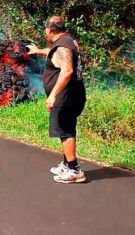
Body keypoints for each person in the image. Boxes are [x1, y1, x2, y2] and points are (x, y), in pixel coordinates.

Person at [28, 16, 87, 183]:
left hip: (65, 97)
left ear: (51, 30)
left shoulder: (63, 46)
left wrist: (53, 95)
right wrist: (38, 51)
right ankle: (67, 163)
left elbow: (67, 70)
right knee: (65, 129)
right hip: (72, 95)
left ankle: (74, 170)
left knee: (65, 130)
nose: (45, 32)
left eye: (45, 29)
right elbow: (56, 54)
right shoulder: (67, 42)